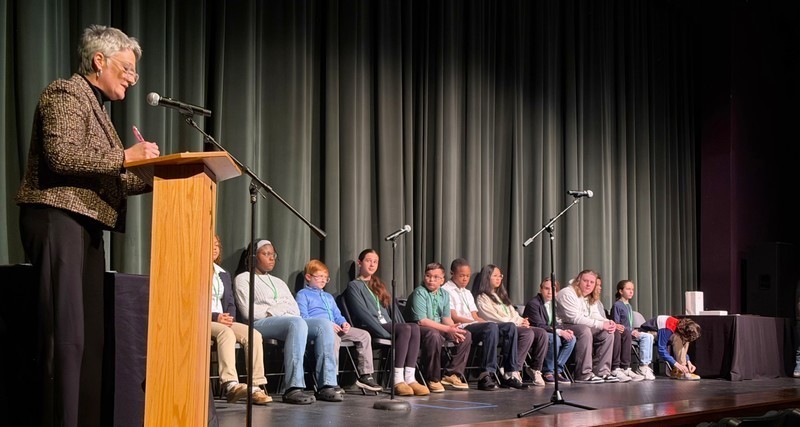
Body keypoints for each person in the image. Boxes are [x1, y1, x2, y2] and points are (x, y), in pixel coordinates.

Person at [15, 24, 160, 427]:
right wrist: (126, 157)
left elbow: (111, 177)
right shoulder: (64, 93)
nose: (132, 78)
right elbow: (62, 155)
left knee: (89, 341)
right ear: (99, 61)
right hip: (57, 217)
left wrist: (156, 174)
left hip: (88, 225)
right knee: (67, 336)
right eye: (127, 68)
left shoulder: (99, 113)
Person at [234, 240, 342, 404]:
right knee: (296, 323)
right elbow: (249, 313)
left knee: (324, 325)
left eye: (273, 254)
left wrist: (276, 309)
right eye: (266, 254)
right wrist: (278, 309)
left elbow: (295, 310)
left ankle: (326, 384)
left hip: (287, 321)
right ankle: (293, 387)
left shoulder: (279, 282)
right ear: (253, 257)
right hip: (259, 324)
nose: (272, 258)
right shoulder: (243, 279)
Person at [343, 249, 429, 396]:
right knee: (406, 329)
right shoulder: (354, 286)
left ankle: (410, 377)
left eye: (375, 262)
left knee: (413, 327)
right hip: (372, 326)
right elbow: (361, 313)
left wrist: (403, 327)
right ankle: (397, 380)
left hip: (387, 325)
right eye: (368, 261)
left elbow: (392, 310)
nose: (372, 264)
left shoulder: (378, 285)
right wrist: (384, 332)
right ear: (359, 263)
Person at [295, 259, 383, 392]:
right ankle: (331, 379)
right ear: (308, 277)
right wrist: (326, 325)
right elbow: (303, 317)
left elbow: (337, 315)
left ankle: (365, 375)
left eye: (326, 277)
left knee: (364, 335)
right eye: (320, 276)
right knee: (332, 338)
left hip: (336, 329)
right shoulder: (303, 294)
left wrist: (343, 323)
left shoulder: (328, 297)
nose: (323, 280)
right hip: (319, 330)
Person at [210, 235, 271, 404]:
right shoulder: (193, 270)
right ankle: (230, 385)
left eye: (217, 245)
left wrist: (229, 318)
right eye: (210, 245)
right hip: (204, 320)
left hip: (223, 320)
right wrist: (215, 317)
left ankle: (255, 386)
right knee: (226, 333)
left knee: (253, 335)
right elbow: (192, 302)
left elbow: (230, 302)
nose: (215, 248)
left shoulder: (222, 273)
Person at [442, 258, 516, 391]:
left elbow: (475, 316)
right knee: (491, 326)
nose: (465, 279)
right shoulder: (446, 290)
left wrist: (484, 322)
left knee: (509, 326)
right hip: (462, 326)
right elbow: (454, 317)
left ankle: (510, 373)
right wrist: (479, 323)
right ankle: (485, 374)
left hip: (473, 324)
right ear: (452, 274)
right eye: (462, 276)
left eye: (467, 276)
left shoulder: (467, 292)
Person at [474, 264, 546, 387]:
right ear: (487, 277)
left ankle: (534, 369)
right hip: (499, 329)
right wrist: (517, 322)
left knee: (541, 333)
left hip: (513, 325)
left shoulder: (501, 296)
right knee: (527, 333)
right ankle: (513, 371)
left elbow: (513, 313)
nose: (498, 279)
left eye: (500, 276)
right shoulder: (482, 297)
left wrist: (522, 320)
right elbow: (492, 317)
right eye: (495, 276)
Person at [409, 262, 471, 392]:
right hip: (419, 330)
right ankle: (432, 378)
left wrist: (453, 329)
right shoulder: (419, 292)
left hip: (439, 328)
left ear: (442, 280)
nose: (431, 280)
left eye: (436, 277)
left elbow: (446, 318)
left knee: (465, 334)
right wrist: (447, 329)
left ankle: (451, 375)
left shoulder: (444, 294)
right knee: (434, 334)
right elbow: (422, 321)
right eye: (428, 276)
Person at [555, 269, 616, 384]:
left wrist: (608, 322)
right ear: (578, 281)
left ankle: (602, 372)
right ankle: (583, 374)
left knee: (607, 333)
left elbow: (594, 315)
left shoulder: (588, 296)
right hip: (563, 325)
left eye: (592, 282)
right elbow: (575, 318)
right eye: (585, 281)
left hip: (582, 324)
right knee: (584, 330)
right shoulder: (567, 293)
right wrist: (601, 324)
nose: (589, 284)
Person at [588, 276, 644, 382]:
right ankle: (615, 367)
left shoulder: (599, 302)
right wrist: (614, 324)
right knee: (617, 333)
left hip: (609, 327)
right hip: (598, 327)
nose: (600, 288)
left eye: (599, 285)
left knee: (626, 333)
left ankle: (625, 367)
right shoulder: (617, 305)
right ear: (621, 291)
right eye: (597, 285)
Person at [522, 277, 576, 383]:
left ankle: (557, 370)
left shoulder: (552, 304)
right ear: (541, 289)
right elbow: (539, 325)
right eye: (546, 288)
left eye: (553, 289)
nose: (550, 292)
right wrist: (559, 332)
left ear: (557, 292)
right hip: (536, 333)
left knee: (571, 338)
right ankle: (548, 372)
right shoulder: (534, 304)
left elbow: (555, 323)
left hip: (549, 331)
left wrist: (565, 330)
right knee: (555, 338)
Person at [612, 280, 656, 380]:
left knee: (648, 336)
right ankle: (625, 367)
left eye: (632, 289)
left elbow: (629, 323)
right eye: (628, 289)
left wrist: (634, 330)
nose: (631, 291)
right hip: (623, 333)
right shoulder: (617, 305)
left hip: (631, 332)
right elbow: (617, 323)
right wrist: (629, 330)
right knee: (630, 334)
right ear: (621, 291)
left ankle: (644, 366)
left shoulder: (629, 305)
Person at [640, 315, 702, 380]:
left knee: (684, 340)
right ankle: (680, 371)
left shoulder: (679, 326)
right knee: (678, 338)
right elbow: (661, 349)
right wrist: (678, 365)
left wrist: (688, 361)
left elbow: (681, 348)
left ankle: (678, 371)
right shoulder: (668, 328)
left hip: (657, 333)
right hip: (646, 333)